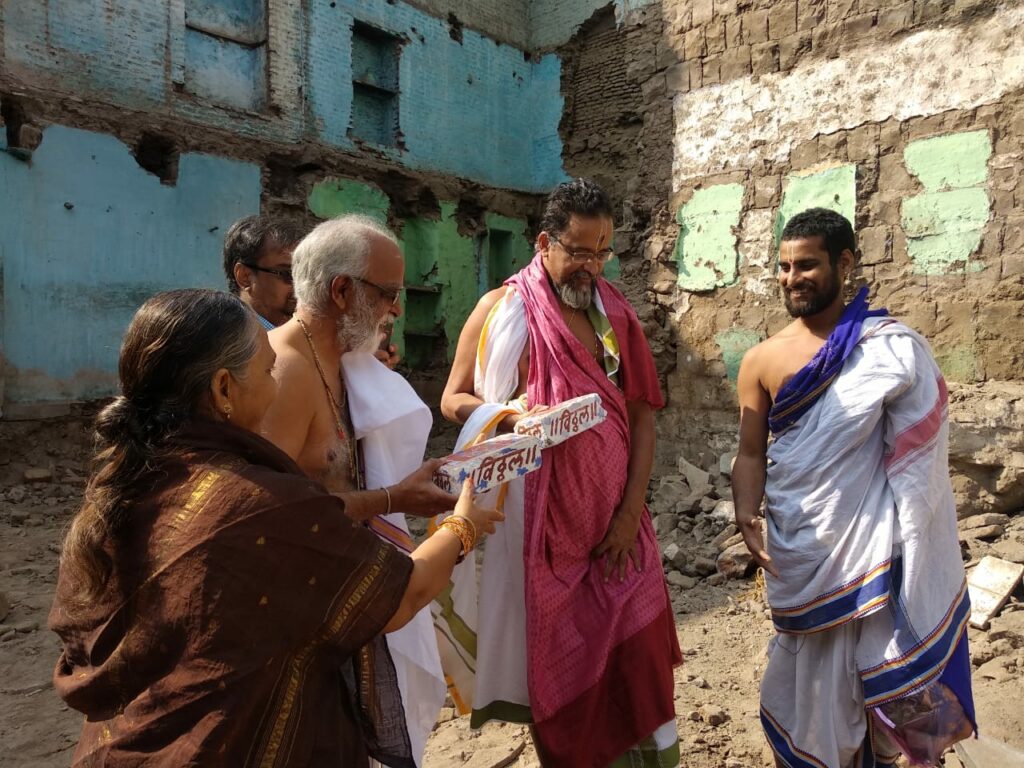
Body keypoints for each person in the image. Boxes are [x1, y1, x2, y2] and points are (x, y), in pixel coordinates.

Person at [48, 289, 501, 767]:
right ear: (224, 389)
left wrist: (394, 496)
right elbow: (403, 594)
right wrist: (461, 527)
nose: (275, 383)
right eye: (267, 371)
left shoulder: (125, 481)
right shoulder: (255, 505)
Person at [439, 179, 681, 767]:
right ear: (545, 242)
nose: (591, 266)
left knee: (642, 664)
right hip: (539, 536)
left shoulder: (616, 316)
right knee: (560, 671)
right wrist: (508, 413)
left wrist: (629, 515)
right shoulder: (497, 311)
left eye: (603, 253)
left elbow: (641, 417)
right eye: (578, 251)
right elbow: (453, 399)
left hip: (617, 527)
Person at [733, 208, 975, 768]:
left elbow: (916, 451)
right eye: (785, 266)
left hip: (873, 548)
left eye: (807, 265)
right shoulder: (761, 359)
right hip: (803, 551)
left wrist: (913, 531)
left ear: (844, 263)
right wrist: (747, 510)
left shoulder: (888, 347)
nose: (792, 278)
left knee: (878, 684)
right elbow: (750, 453)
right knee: (805, 683)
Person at [261, 214, 455, 763]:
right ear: (342, 290)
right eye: (389, 293)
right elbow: (273, 520)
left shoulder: (343, 361)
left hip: (342, 609)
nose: (396, 309)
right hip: (299, 632)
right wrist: (396, 500)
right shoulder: (283, 374)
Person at [223, 214, 304, 329]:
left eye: (304, 275)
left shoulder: (307, 340)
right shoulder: (223, 340)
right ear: (245, 277)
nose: (301, 286)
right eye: (287, 274)